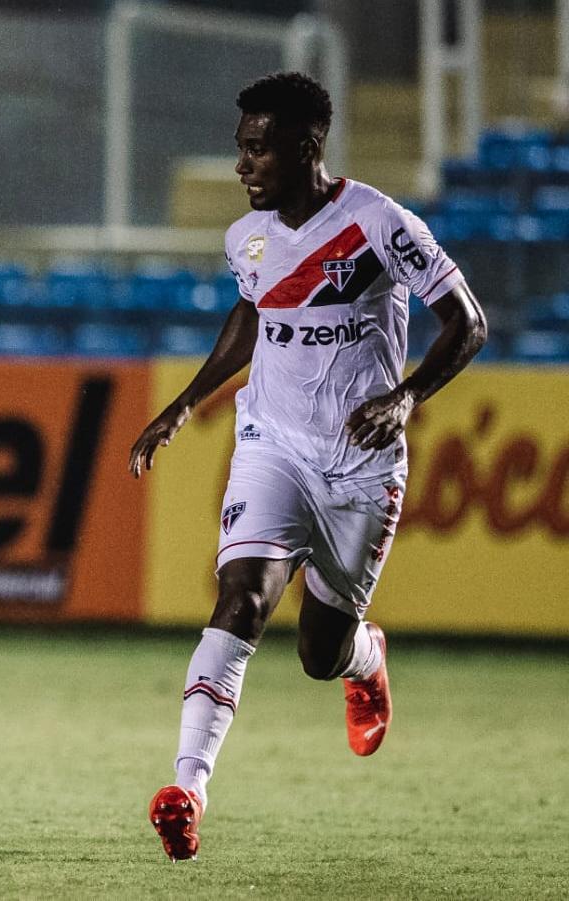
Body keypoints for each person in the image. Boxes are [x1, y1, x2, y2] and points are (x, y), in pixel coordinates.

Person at [129, 73, 488, 861]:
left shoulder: (377, 223)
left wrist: (407, 395)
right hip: (274, 448)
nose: (242, 166)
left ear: (307, 146)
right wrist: (185, 402)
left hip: (362, 467)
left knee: (319, 652)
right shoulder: (245, 239)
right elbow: (253, 314)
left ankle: (365, 656)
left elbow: (468, 322)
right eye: (240, 149)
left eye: (258, 149)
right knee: (242, 599)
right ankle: (187, 787)